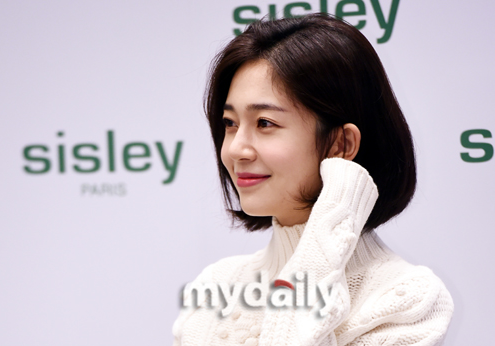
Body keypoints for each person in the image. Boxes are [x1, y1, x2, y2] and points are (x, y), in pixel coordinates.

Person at [172, 13, 454, 346]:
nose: (236, 149)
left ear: (342, 144)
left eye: (264, 123)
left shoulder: (406, 298)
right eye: (230, 123)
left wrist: (335, 217)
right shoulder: (215, 285)